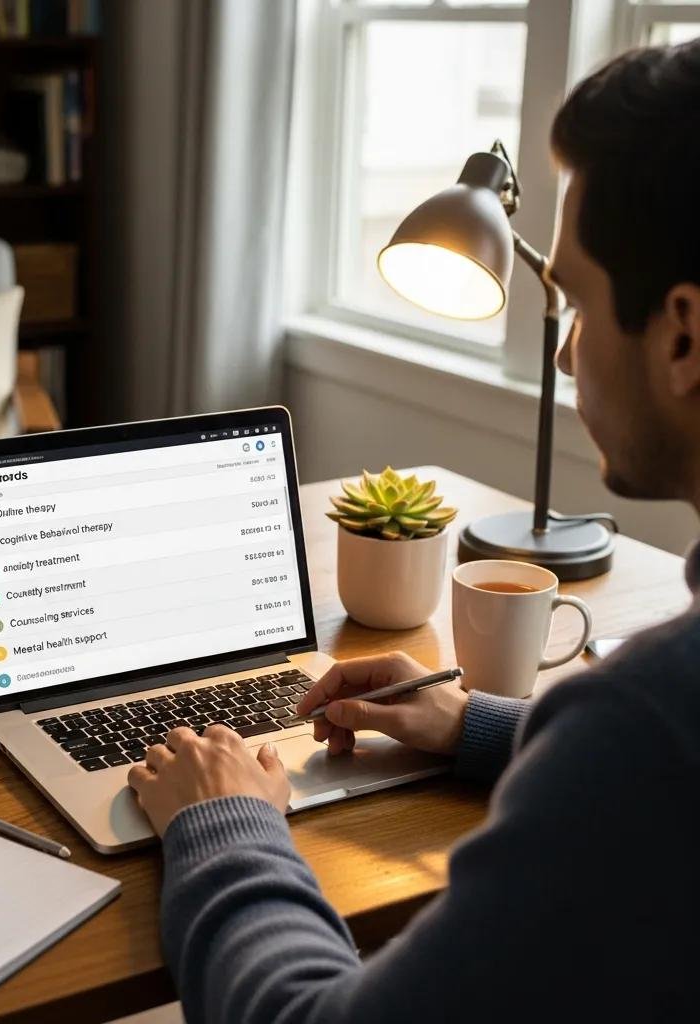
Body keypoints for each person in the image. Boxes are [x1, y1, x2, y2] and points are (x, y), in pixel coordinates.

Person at [127, 39, 700, 1023]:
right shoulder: (646, 736)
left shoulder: (641, 728)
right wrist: (473, 726)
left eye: (571, 304)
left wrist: (226, 822)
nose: (563, 353)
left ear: (682, 334)